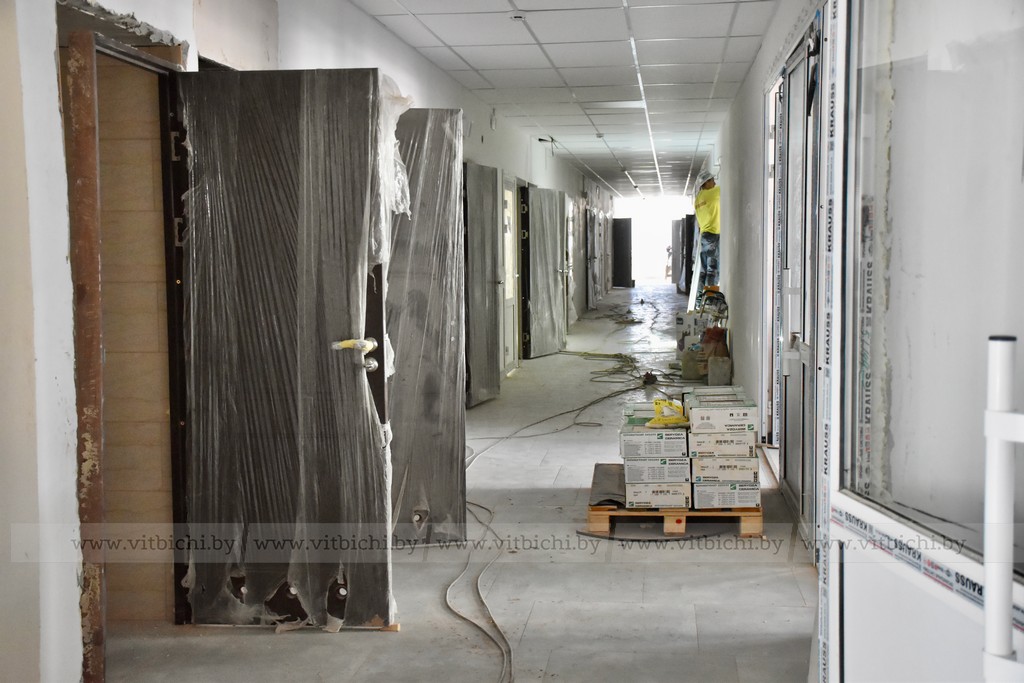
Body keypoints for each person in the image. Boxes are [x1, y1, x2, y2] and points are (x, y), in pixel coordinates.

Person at [692, 169, 720, 307]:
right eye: (712, 180)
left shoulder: (698, 198)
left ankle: (699, 302)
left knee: (703, 271)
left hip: (704, 236)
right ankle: (710, 301)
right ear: (706, 183)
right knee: (712, 270)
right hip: (713, 235)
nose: (715, 183)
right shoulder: (713, 193)